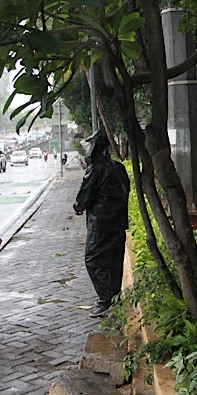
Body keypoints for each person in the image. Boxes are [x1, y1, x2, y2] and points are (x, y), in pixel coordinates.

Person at [73, 130, 130, 317]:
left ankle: (106, 300)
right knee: (114, 260)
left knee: (94, 259)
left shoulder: (96, 170)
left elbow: (85, 195)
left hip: (101, 223)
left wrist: (78, 207)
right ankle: (114, 298)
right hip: (118, 222)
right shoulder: (118, 167)